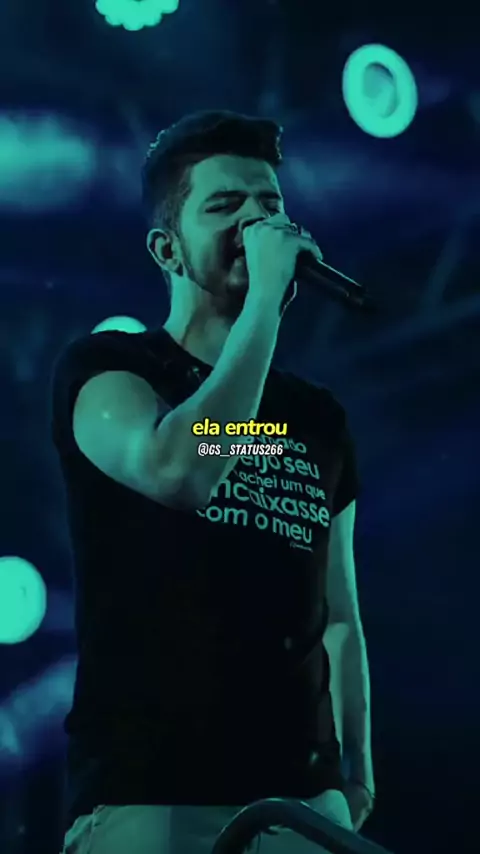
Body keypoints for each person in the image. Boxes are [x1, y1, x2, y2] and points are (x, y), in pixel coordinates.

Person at [53, 110, 374, 854]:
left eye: (270, 204)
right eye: (225, 205)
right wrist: (264, 303)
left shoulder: (317, 417)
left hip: (303, 801)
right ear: (167, 249)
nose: (258, 222)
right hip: (154, 795)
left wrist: (356, 773)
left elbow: (338, 614)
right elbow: (181, 469)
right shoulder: (113, 369)